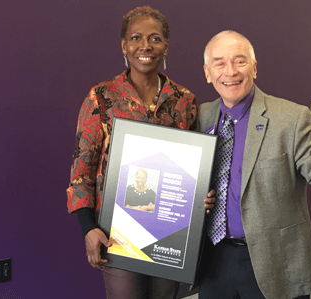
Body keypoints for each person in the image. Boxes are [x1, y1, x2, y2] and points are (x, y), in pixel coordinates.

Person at [198, 30, 311, 299]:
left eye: (240, 61)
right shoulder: (201, 116)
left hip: (274, 261)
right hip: (214, 260)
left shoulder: (290, 119)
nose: (230, 71)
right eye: (219, 63)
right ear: (208, 72)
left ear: (254, 68)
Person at [66, 6, 197, 299]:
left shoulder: (184, 100)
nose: (145, 46)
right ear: (124, 45)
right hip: (116, 231)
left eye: (155, 38)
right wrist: (88, 228)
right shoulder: (101, 98)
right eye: (136, 38)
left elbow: (191, 168)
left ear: (166, 47)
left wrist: (201, 195)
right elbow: (81, 171)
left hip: (168, 230)